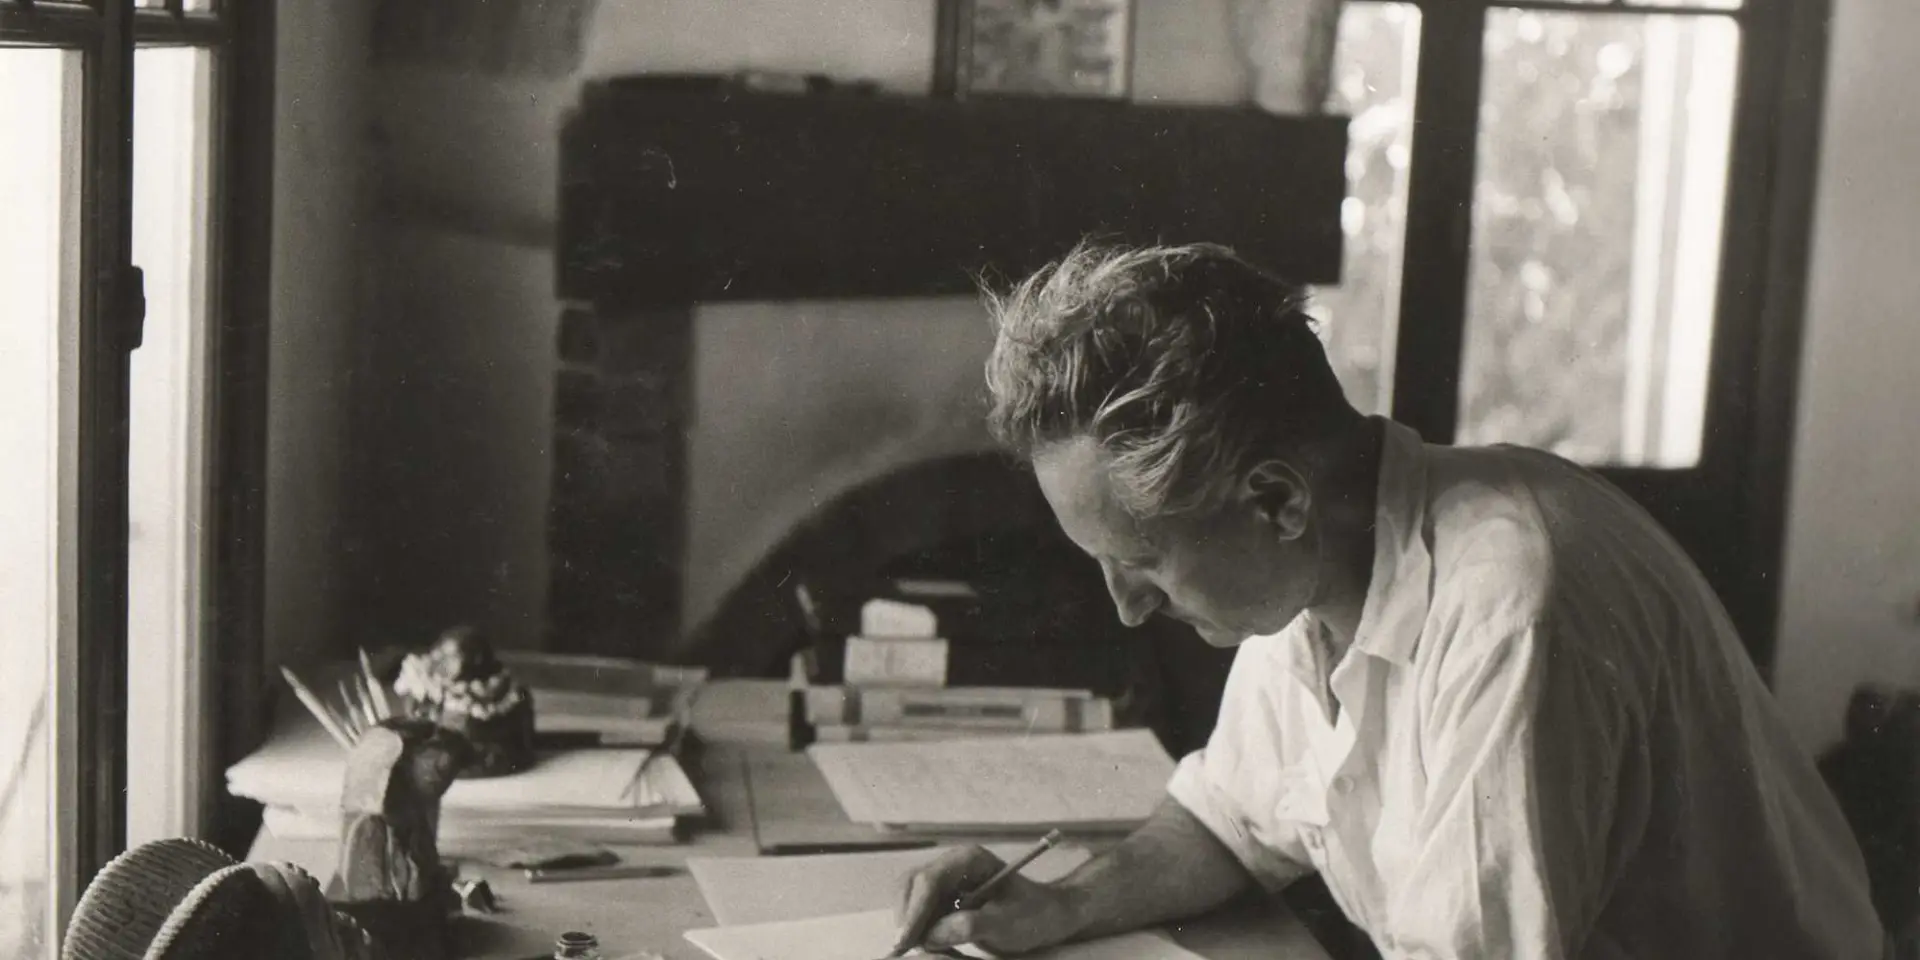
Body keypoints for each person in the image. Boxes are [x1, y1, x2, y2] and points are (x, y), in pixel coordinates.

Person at [890, 243, 1883, 959]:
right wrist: (1056, 909)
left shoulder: (1514, 610)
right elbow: (1229, 820)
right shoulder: (1312, 571)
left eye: (1142, 561)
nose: (1126, 610)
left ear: (1273, 499)